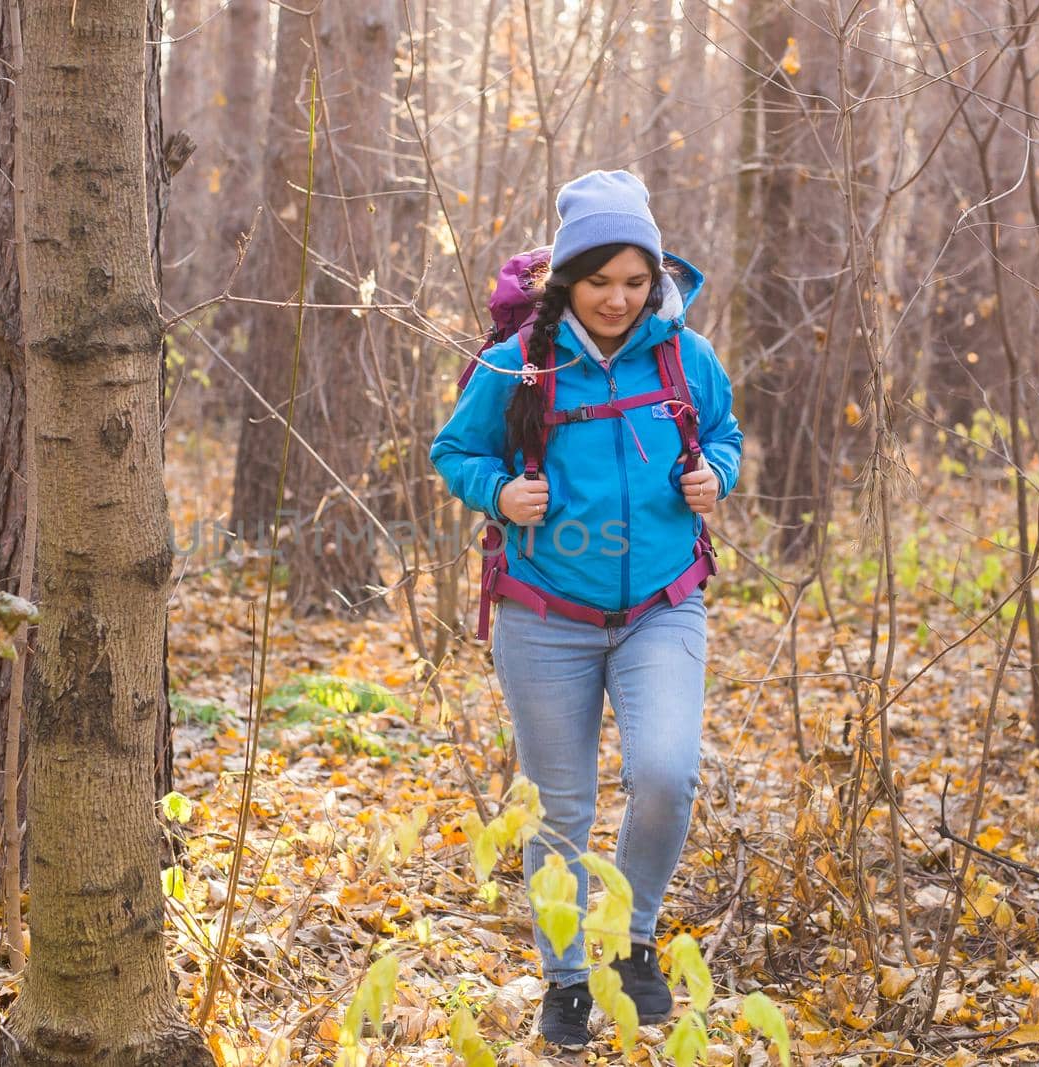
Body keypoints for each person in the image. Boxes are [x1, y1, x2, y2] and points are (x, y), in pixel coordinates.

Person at [429, 169, 743, 1049]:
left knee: (666, 774)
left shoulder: (688, 354)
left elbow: (725, 434)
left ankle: (632, 939)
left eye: (634, 281)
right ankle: (567, 980)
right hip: (544, 614)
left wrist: (716, 473)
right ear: (568, 279)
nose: (618, 299)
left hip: (661, 606)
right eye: (600, 280)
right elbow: (453, 449)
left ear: (655, 278)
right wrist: (498, 492)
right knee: (561, 811)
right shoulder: (519, 363)